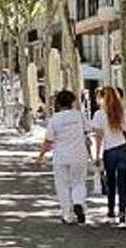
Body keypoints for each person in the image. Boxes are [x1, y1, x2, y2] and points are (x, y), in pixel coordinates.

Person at [37, 91, 90, 224]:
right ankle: (78, 202)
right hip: (79, 154)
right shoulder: (79, 115)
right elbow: (87, 132)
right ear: (72, 102)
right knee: (79, 182)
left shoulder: (55, 118)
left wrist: (41, 156)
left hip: (61, 157)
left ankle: (67, 215)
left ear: (59, 103)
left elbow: (48, 140)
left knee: (63, 186)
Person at [92, 87, 126, 224]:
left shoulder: (99, 115)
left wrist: (97, 155)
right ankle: (123, 212)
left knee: (111, 182)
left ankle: (111, 209)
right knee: (122, 182)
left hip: (109, 151)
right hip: (124, 150)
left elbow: (98, 137)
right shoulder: (125, 113)